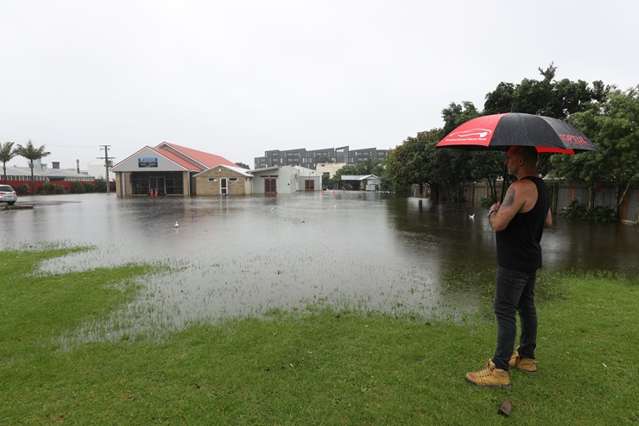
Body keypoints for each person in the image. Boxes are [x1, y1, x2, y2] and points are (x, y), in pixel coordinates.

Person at [466, 146, 552, 387]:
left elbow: (498, 224)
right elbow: (548, 220)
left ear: (521, 160)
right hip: (530, 259)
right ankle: (526, 358)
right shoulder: (542, 187)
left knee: (504, 311)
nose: (506, 161)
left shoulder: (519, 187)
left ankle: (499, 369)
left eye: (509, 156)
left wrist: (494, 211)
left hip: (513, 262)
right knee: (526, 307)